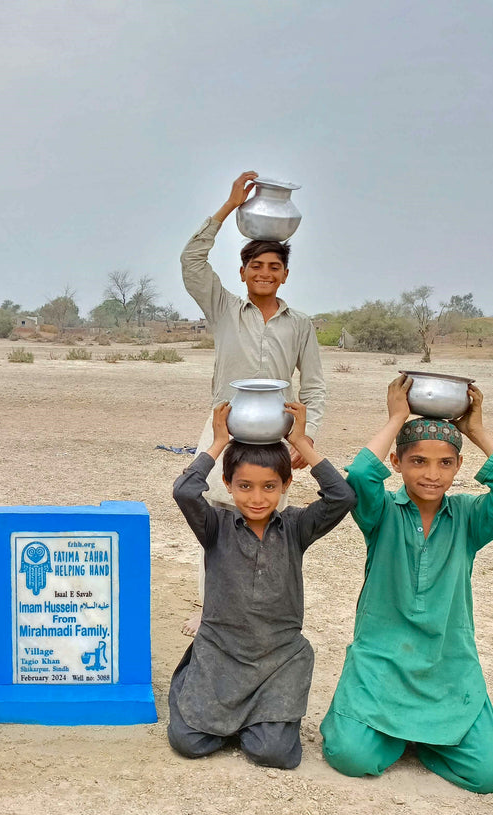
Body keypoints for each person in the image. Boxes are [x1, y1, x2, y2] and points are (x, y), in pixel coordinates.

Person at [320, 376, 493, 793]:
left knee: (491, 775)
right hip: (382, 663)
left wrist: (475, 430)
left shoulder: (471, 519)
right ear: (398, 464)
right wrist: (397, 416)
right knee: (350, 756)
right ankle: (395, 731)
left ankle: (416, 736)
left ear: (458, 466)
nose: (432, 474)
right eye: (418, 461)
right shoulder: (381, 514)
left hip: (447, 665)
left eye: (445, 463)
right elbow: (362, 475)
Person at [167, 401, 354, 770]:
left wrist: (301, 442)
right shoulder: (215, 526)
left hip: (278, 659)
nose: (257, 498)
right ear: (227, 484)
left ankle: (257, 719)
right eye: (245, 486)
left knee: (273, 754)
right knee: (189, 742)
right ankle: (195, 685)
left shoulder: (298, 527)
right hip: (222, 652)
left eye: (270, 486)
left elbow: (342, 497)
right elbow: (185, 492)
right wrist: (219, 442)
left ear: (286, 484)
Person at [180, 170, 326, 636]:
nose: (264, 274)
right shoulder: (223, 308)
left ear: (285, 275)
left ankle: (265, 606)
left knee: (270, 514)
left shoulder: (300, 324)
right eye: (256, 267)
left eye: (273, 268)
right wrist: (227, 207)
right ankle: (210, 607)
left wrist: (306, 438)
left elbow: (315, 386)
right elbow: (191, 260)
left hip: (278, 428)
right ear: (242, 273)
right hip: (224, 424)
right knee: (217, 512)